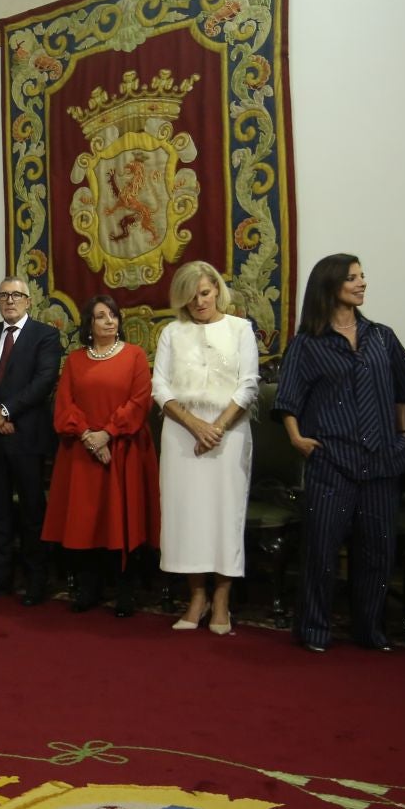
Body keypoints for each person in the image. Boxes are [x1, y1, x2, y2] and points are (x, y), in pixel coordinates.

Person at [274, 253, 405, 653]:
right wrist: (297, 440)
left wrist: (402, 435)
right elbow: (287, 401)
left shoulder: (382, 336)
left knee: (377, 551)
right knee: (321, 551)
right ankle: (315, 631)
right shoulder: (307, 344)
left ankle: (370, 630)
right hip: (330, 462)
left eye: (362, 276)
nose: (362, 283)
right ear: (331, 285)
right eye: (353, 278)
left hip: (381, 461)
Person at [150, 263, 261, 632]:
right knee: (186, 516)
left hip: (228, 435)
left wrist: (216, 427)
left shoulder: (240, 329)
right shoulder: (171, 333)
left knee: (224, 514)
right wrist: (196, 425)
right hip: (182, 434)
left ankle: (223, 601)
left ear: (217, 290)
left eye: (205, 292)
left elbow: (248, 386)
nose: (199, 302)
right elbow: (160, 389)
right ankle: (196, 596)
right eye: (191, 295)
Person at [44, 293, 159, 617]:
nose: (110, 321)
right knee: (87, 521)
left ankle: (126, 590)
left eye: (113, 315)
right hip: (82, 453)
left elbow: (140, 401)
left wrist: (108, 432)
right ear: (89, 325)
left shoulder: (135, 356)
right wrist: (89, 437)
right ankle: (88, 586)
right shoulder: (75, 361)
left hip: (125, 450)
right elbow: (64, 405)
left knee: (122, 519)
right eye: (101, 316)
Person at [0, 276, 61, 604]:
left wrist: (4, 411)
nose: (10, 300)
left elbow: (44, 380)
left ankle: (36, 579)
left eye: (17, 295)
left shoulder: (45, 336)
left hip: (27, 437)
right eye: (4, 295)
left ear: (29, 302)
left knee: (32, 511)